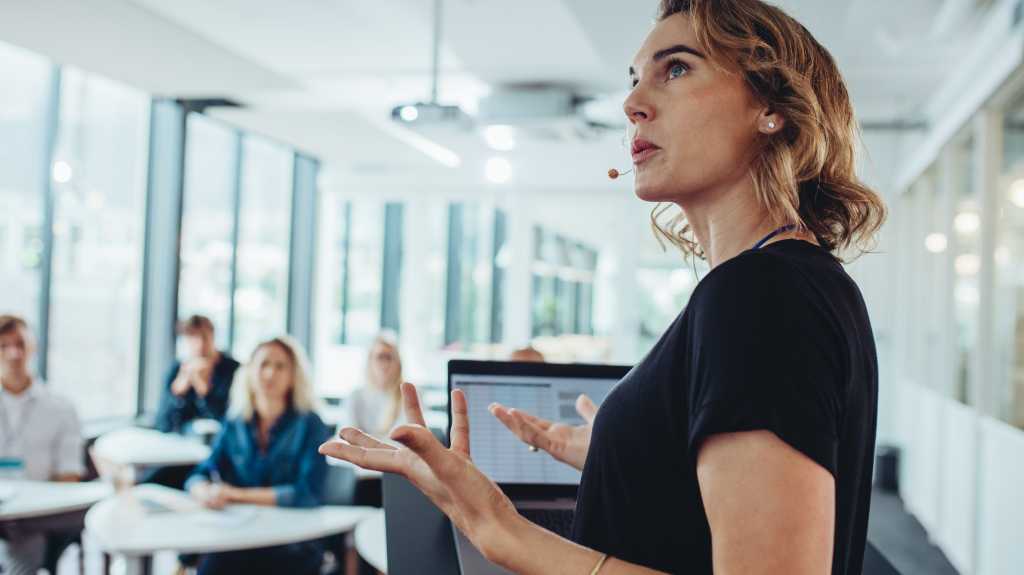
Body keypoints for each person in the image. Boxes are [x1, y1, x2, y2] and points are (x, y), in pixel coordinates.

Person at [320, 1, 886, 574]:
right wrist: (628, 454)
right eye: (636, 79)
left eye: (678, 69)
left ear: (770, 106)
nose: (633, 104)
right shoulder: (793, 282)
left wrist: (496, 526)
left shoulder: (760, 295)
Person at [185, 336, 330, 575]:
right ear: (250, 371)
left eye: (280, 366)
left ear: (294, 375)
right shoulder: (235, 422)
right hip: (241, 535)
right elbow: (200, 473)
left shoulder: (310, 423)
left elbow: (308, 493)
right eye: (263, 364)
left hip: (292, 539)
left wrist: (236, 495)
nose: (270, 373)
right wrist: (203, 491)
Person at [0, 315, 85, 575]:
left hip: (35, 517)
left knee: (23, 551)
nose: (14, 354)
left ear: (33, 348)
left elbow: (69, 476)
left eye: (20, 344)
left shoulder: (61, 407)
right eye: (3, 346)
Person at [155, 315, 240, 434]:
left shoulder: (234, 370)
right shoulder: (177, 370)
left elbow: (233, 421)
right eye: (193, 337)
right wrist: (178, 394)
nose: (200, 344)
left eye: (204, 337)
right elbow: (162, 424)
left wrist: (205, 392)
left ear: (213, 336)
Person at [343, 331, 405, 437]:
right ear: (370, 361)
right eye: (380, 357)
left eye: (389, 357)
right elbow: (345, 437)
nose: (385, 364)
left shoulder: (407, 396)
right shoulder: (355, 397)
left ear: (398, 363)